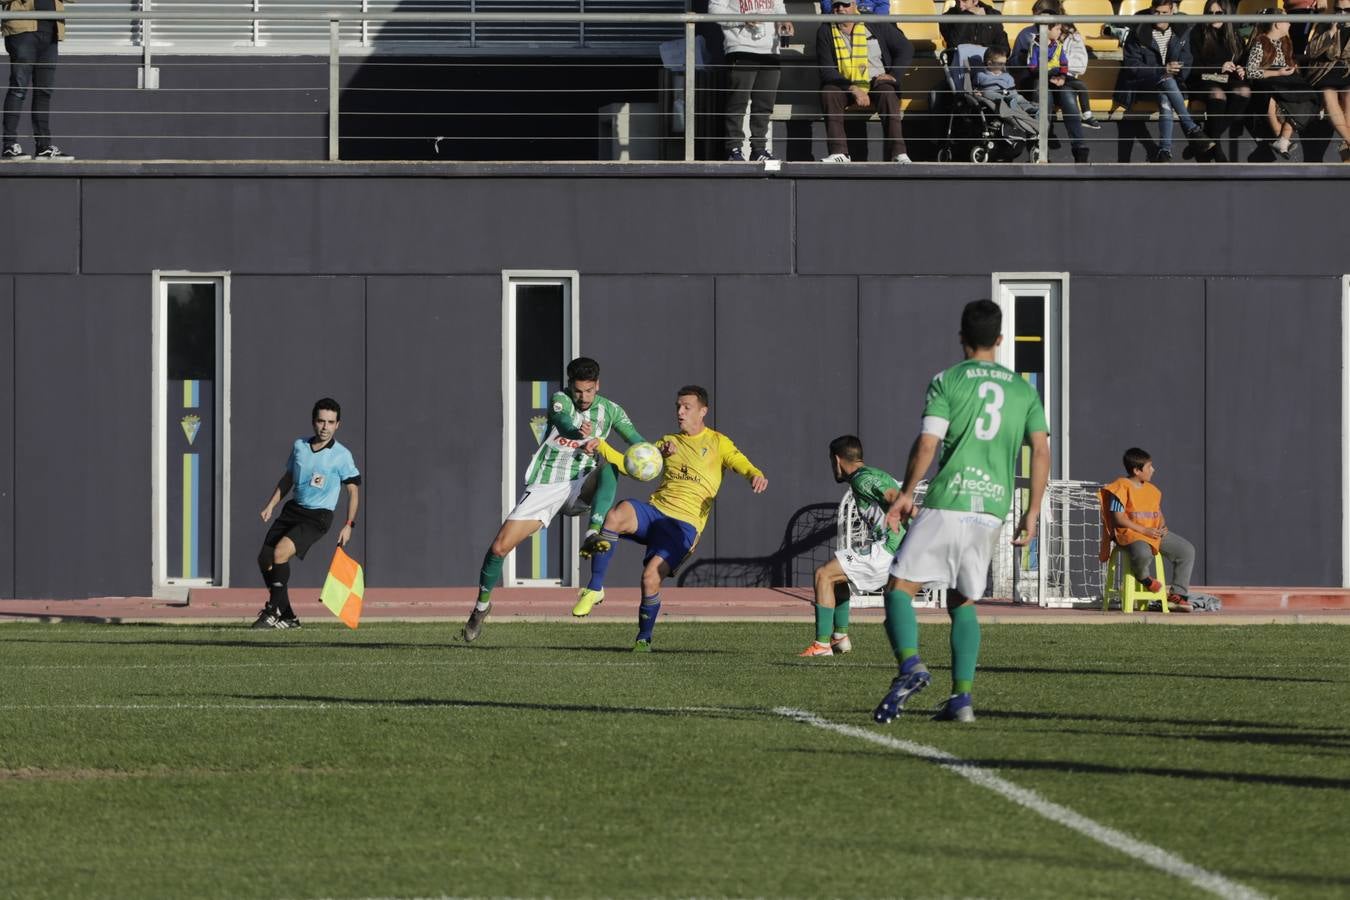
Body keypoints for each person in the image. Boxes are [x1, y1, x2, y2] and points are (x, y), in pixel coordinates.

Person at [872, 299, 1050, 725]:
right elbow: (1041, 449)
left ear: (961, 338)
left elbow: (929, 442)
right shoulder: (1024, 390)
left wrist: (906, 492)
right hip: (991, 508)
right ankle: (962, 699)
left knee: (899, 588)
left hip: (949, 499)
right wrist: (1032, 512)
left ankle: (911, 665)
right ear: (1001, 340)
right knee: (962, 600)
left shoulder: (947, 380)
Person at [461, 357, 647, 641]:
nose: (583, 397)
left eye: (589, 391)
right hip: (546, 485)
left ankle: (593, 532)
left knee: (609, 468)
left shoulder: (611, 411)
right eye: (578, 391)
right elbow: (562, 421)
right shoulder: (560, 399)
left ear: (597, 385)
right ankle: (481, 608)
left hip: (581, 483)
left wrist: (657, 451)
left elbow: (637, 441)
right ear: (570, 386)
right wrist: (578, 433)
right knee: (499, 548)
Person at [584, 385, 767, 651]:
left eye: (686, 407)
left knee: (649, 578)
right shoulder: (667, 442)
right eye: (677, 407)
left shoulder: (718, 442)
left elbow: (742, 464)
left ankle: (644, 638)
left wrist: (755, 475)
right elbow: (629, 464)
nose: (680, 412)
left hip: (684, 526)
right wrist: (601, 445)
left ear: (703, 411)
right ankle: (595, 587)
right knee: (617, 513)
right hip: (655, 512)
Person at [253, 398, 362, 629]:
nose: (325, 427)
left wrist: (348, 524)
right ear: (314, 422)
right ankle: (289, 616)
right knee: (264, 558)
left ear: (337, 425)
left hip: (318, 516)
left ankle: (273, 611)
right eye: (321, 421)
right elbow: (288, 479)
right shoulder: (300, 446)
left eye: (331, 422)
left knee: (280, 553)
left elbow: (353, 491)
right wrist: (271, 504)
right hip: (293, 510)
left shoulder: (342, 455)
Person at [799, 435, 904, 658]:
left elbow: (895, 496)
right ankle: (840, 638)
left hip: (886, 549)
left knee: (823, 575)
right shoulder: (873, 474)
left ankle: (821, 645)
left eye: (831, 462)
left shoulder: (862, 480)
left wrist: (909, 517)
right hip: (892, 548)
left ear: (837, 460)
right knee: (837, 578)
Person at [815, 0, 915, 163]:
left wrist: (894, 74)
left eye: (845, 4)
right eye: (836, 5)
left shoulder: (874, 22)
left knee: (888, 92)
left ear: (854, 5)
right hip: (845, 84)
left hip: (876, 80)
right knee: (829, 92)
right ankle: (839, 152)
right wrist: (853, 88)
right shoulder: (825, 30)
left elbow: (905, 48)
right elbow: (826, 70)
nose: (840, 9)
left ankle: (899, 153)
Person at [1099, 447, 1196, 613]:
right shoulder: (1120, 487)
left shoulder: (1153, 490)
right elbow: (1118, 518)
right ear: (1137, 470)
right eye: (1149, 466)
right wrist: (1145, 531)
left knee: (1186, 551)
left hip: (1152, 533)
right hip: (1129, 534)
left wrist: (1163, 526)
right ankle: (1143, 577)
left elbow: (1158, 514)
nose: (1153, 470)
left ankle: (1177, 596)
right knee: (1143, 553)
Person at [1114, 0, 1212, 163]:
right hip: (1141, 85)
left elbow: (1187, 60)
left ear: (1172, 11)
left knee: (1165, 93)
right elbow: (1132, 67)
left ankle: (1164, 151)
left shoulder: (1183, 30)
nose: (1159, 17)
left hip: (1169, 85)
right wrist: (1162, 70)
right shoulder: (1138, 31)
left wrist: (1177, 70)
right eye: (1156, 13)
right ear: (1151, 11)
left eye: (1164, 13)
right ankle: (1191, 128)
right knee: (1165, 80)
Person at [712, 0, 793, 161]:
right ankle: (733, 148)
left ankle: (759, 150)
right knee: (738, 102)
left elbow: (778, 8)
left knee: (764, 104)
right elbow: (714, 10)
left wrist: (784, 22)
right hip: (741, 47)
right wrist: (743, 18)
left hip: (770, 49)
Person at [1010, 20, 1092, 161]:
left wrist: (1059, 72)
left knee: (1069, 97)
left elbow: (1077, 64)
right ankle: (1041, 149)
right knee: (1044, 96)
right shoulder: (1029, 37)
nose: (1060, 32)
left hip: (1061, 81)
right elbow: (1020, 64)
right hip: (1040, 81)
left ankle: (1080, 148)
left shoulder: (1070, 36)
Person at [2, 0, 72, 160]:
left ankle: (43, 146)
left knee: (44, 91)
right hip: (22, 31)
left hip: (51, 31)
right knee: (19, 89)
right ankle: (9, 145)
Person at [1246, 10, 1317, 160]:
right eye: (1287, 20)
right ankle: (1282, 139)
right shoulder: (1260, 43)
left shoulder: (1285, 43)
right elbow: (1251, 72)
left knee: (1307, 96)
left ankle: (1283, 140)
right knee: (1275, 97)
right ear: (1277, 24)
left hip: (1285, 81)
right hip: (1269, 82)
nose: (1290, 23)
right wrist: (1278, 73)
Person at [1185, 0, 1250, 162]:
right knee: (1218, 94)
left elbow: (1242, 61)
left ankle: (1209, 138)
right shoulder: (1197, 33)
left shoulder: (1234, 35)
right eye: (1210, 13)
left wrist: (1241, 69)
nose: (1214, 17)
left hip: (1226, 79)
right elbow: (1194, 67)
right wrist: (1218, 67)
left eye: (1219, 13)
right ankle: (1217, 149)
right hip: (1203, 78)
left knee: (1244, 91)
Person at [1301, 1, 1350, 161]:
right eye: (1338, 10)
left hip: (1347, 71)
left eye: (1347, 10)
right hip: (1325, 71)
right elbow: (1311, 51)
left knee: (1348, 95)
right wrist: (1331, 31)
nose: (1342, 13)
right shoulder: (1325, 24)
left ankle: (1347, 144)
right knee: (1328, 93)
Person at [975, 48, 1039, 116]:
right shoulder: (981, 75)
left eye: (1004, 63)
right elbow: (975, 85)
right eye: (1001, 64)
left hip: (1007, 92)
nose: (1003, 66)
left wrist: (1014, 95)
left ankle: (1030, 110)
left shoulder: (1006, 76)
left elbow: (1012, 89)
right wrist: (976, 91)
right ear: (990, 64)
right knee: (986, 93)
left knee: (1019, 98)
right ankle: (1007, 100)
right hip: (993, 93)